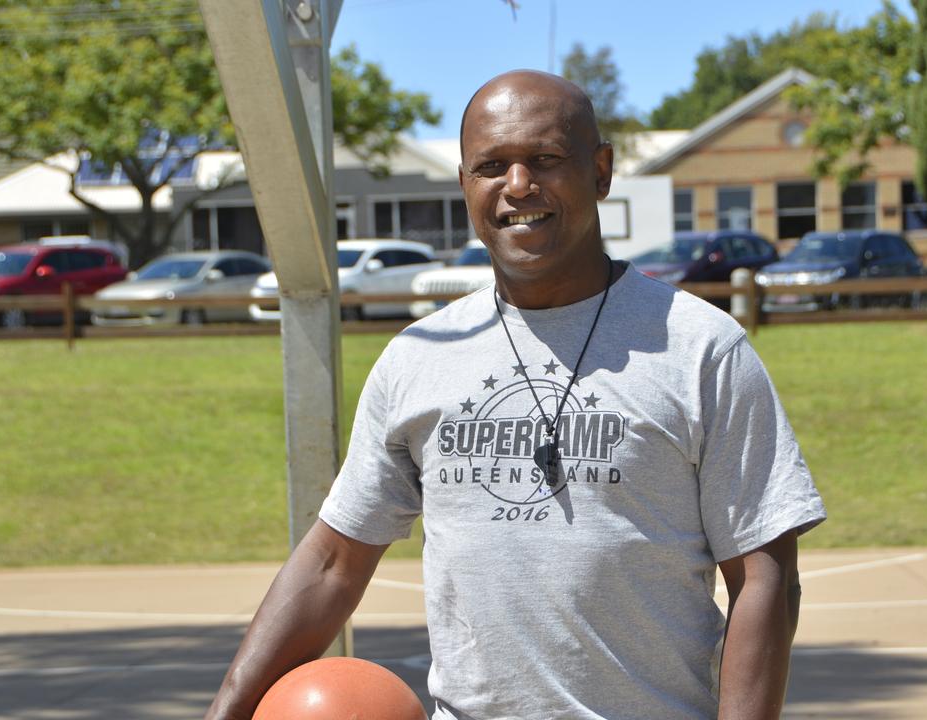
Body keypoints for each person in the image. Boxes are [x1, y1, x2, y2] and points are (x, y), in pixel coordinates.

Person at [206, 70, 826, 720]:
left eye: (546, 160)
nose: (519, 185)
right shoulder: (419, 358)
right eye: (492, 166)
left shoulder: (701, 348)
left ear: (601, 171)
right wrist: (224, 711)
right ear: (465, 185)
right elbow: (334, 562)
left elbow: (765, 580)